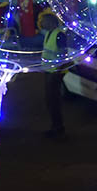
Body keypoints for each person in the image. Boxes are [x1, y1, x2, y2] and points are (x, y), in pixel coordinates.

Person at [38, 11, 68, 139]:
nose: (41, 23)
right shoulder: (48, 34)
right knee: (49, 101)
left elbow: (63, 54)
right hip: (49, 71)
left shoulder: (59, 35)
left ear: (50, 22)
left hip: (55, 72)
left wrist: (58, 71)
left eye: (43, 21)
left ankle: (58, 128)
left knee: (53, 101)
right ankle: (55, 126)